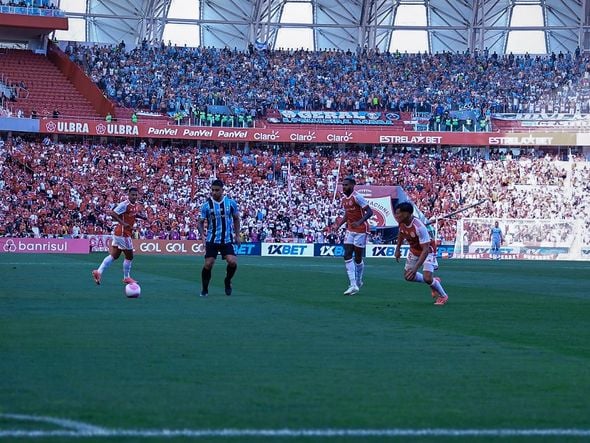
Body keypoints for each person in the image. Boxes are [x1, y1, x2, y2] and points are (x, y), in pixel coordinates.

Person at [393, 201, 448, 306]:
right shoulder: (401, 222)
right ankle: (434, 281)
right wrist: (397, 249)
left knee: (426, 277)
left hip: (428, 251)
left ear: (407, 214)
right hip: (414, 250)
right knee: (408, 277)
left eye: (398, 213)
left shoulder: (419, 227)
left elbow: (425, 250)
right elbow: (401, 233)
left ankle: (443, 296)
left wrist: (415, 268)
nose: (396, 215)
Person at [92, 187, 147, 285]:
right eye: (132, 195)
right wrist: (123, 223)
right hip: (123, 234)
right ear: (128, 195)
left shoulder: (135, 205)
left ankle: (98, 272)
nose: (134, 196)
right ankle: (126, 278)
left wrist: (142, 217)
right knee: (129, 256)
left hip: (119, 234)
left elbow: (133, 214)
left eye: (136, 195)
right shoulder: (124, 205)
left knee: (114, 255)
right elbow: (113, 214)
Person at [197, 179, 241, 297]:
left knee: (232, 262)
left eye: (217, 190)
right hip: (212, 239)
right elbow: (200, 222)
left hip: (226, 240)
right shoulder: (206, 206)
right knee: (208, 264)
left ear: (222, 190)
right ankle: (205, 289)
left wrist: (237, 235)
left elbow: (236, 218)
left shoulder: (231, 203)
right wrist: (202, 235)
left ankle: (227, 280)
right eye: (212, 190)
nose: (214, 192)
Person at [333, 176, 374, 295]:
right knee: (347, 254)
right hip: (350, 229)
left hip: (361, 229)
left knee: (358, 258)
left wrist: (359, 222)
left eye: (346, 185)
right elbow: (347, 214)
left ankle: (359, 280)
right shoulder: (344, 199)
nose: (343, 187)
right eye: (343, 185)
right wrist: (339, 225)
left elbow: (370, 212)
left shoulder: (357, 197)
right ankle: (353, 284)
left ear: (352, 185)